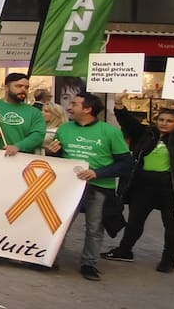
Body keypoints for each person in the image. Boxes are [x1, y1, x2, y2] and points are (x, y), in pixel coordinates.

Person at [103, 94, 174, 273]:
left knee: (172, 226)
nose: (164, 123)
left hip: (171, 189)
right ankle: (125, 251)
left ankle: (168, 260)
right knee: (134, 222)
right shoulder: (146, 134)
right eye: (161, 119)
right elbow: (127, 122)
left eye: (169, 121)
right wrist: (118, 103)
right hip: (144, 187)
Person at [45, 92, 132, 281]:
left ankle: (89, 264)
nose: (69, 107)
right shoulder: (64, 129)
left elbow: (126, 163)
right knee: (60, 224)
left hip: (99, 186)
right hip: (69, 187)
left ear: (87, 109)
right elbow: (59, 159)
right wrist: (52, 153)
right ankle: (51, 258)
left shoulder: (110, 132)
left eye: (74, 104)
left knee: (94, 228)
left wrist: (98, 173)